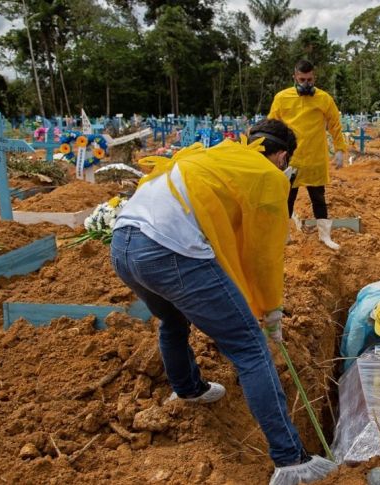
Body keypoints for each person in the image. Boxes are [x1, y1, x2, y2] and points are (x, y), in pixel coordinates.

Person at [109, 119, 335, 485]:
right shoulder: (268, 175)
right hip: (169, 250)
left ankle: (188, 389)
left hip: (123, 244)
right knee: (249, 347)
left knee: (173, 321)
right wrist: (271, 309)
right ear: (280, 155)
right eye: (285, 161)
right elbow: (264, 252)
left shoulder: (221, 153)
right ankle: (292, 460)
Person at [268, 59, 348, 250]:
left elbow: (334, 124)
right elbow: (272, 124)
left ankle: (325, 236)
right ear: (295, 77)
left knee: (318, 198)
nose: (306, 83)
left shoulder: (324, 99)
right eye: (302, 79)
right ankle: (284, 235)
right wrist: (270, 152)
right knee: (287, 198)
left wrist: (339, 149)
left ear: (315, 77)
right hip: (290, 159)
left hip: (315, 158)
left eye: (310, 79)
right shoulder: (282, 98)